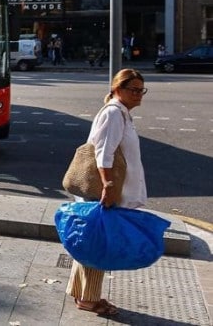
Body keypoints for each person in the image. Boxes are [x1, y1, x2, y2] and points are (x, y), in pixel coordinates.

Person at [66, 68, 148, 317]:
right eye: (133, 90)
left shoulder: (121, 113)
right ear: (117, 89)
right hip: (102, 190)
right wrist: (109, 187)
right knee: (97, 243)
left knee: (90, 240)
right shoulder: (114, 113)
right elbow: (103, 153)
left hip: (107, 188)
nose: (138, 95)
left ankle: (81, 292)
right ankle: (89, 300)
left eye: (141, 90)